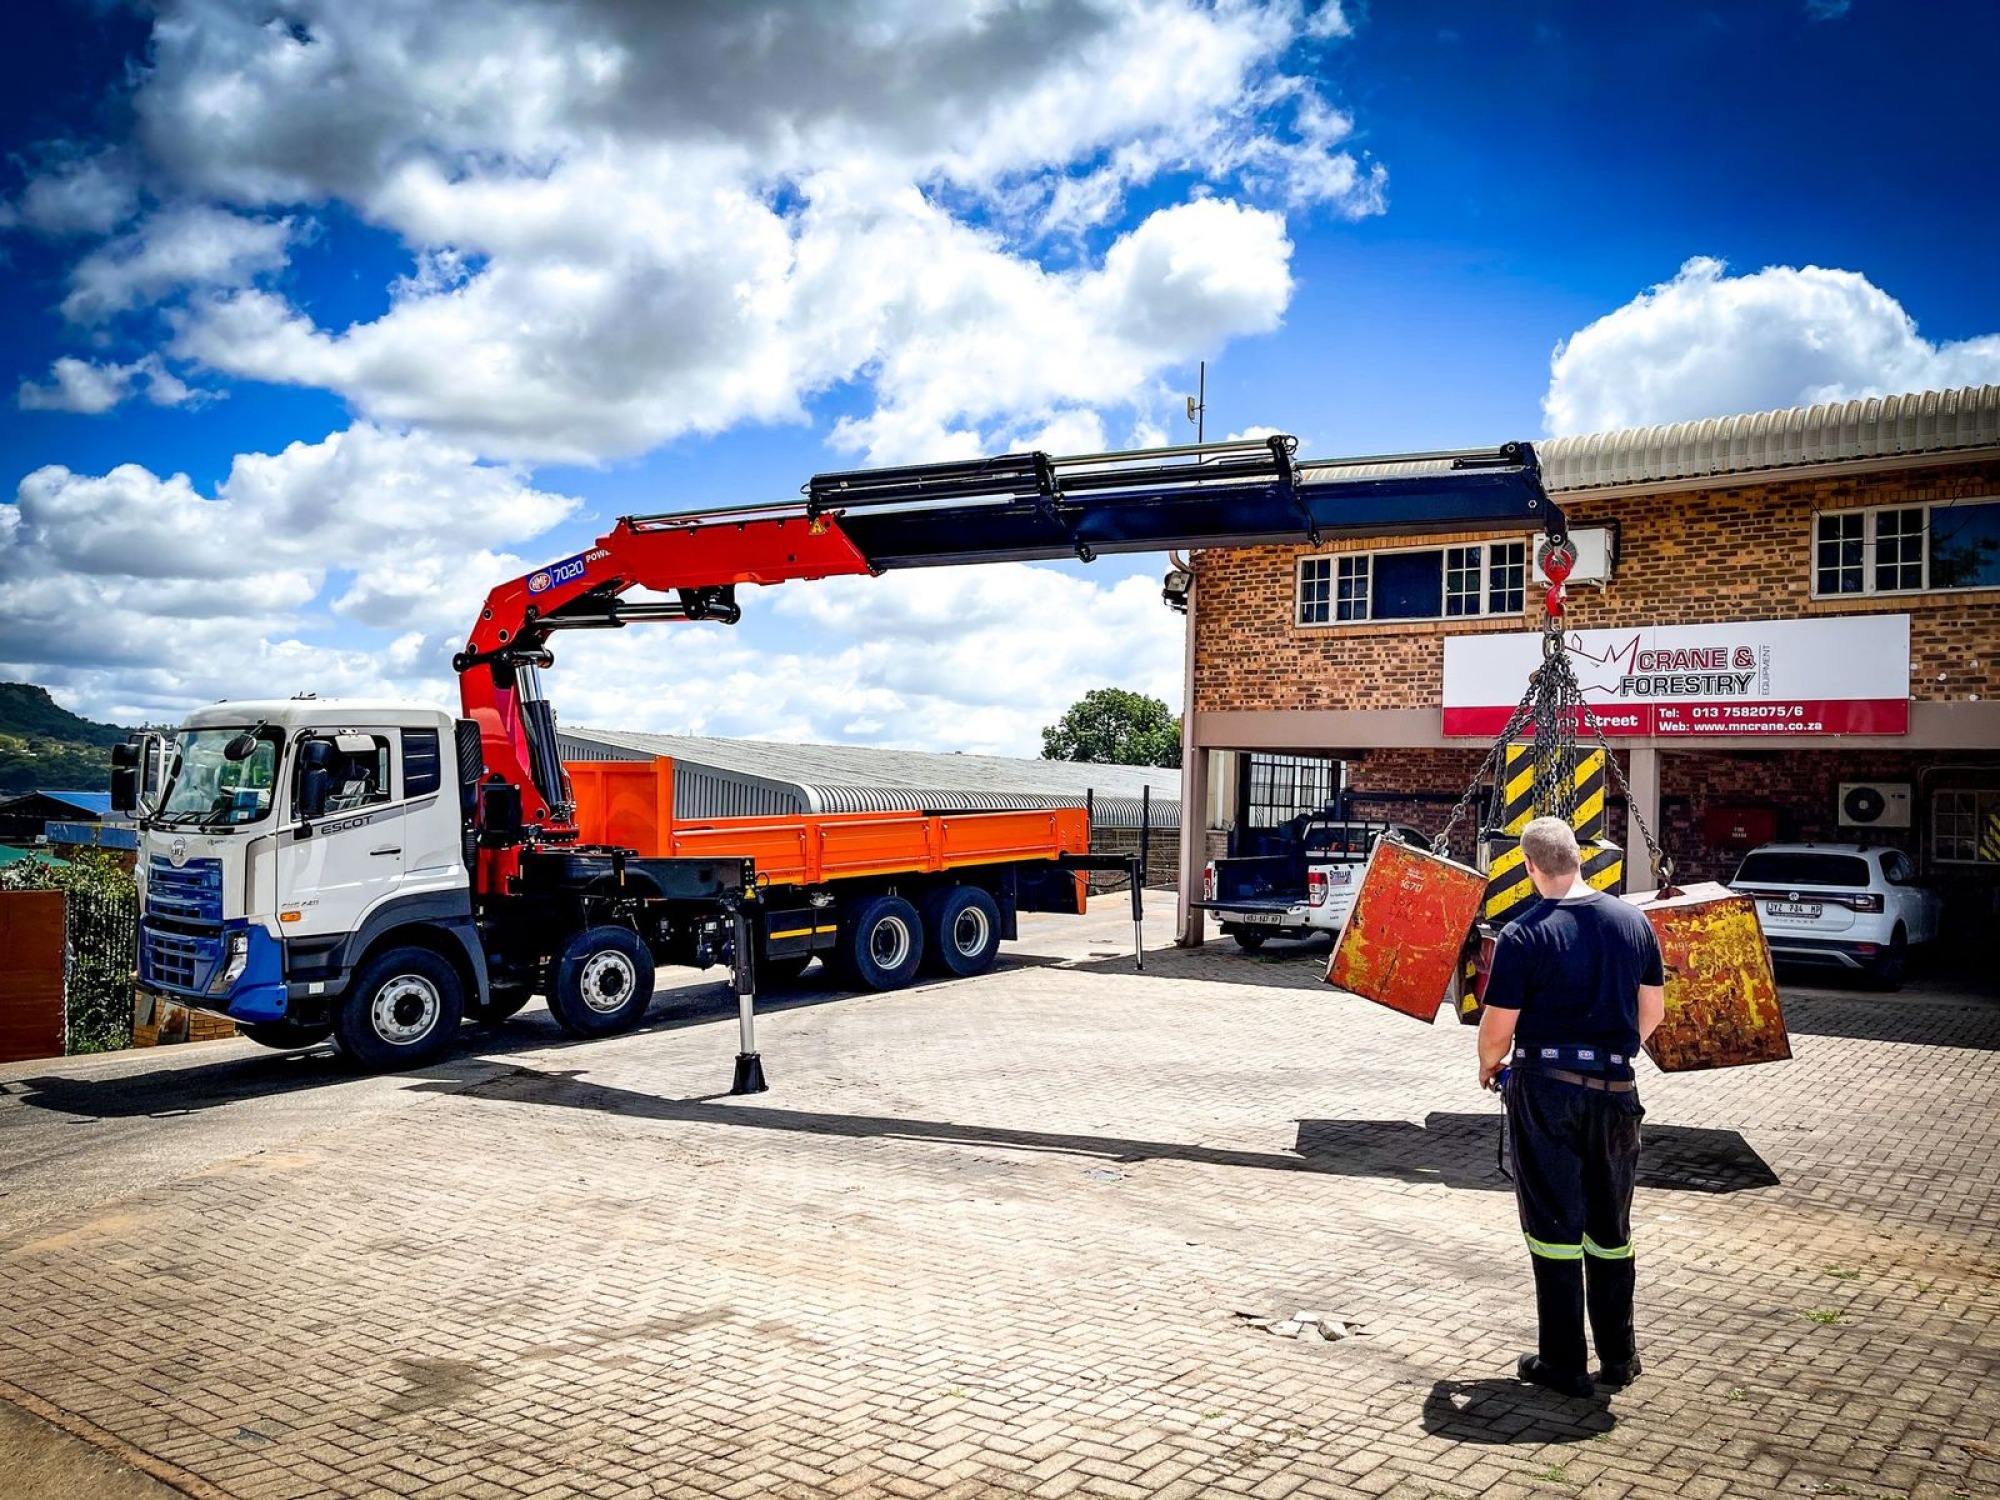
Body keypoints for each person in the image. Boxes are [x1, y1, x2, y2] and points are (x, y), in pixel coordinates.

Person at [1477, 816, 1667, 1399]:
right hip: (1616, 1094)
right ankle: (1619, 1357)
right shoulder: (1633, 922)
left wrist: (1489, 1067)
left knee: (1555, 1226)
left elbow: (1498, 1026)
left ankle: (1563, 1363)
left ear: (1531, 867)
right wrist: (1610, 1053)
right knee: (1612, 1228)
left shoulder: (1523, 933)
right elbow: (1653, 1013)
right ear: (1580, 859)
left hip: (1547, 1089)